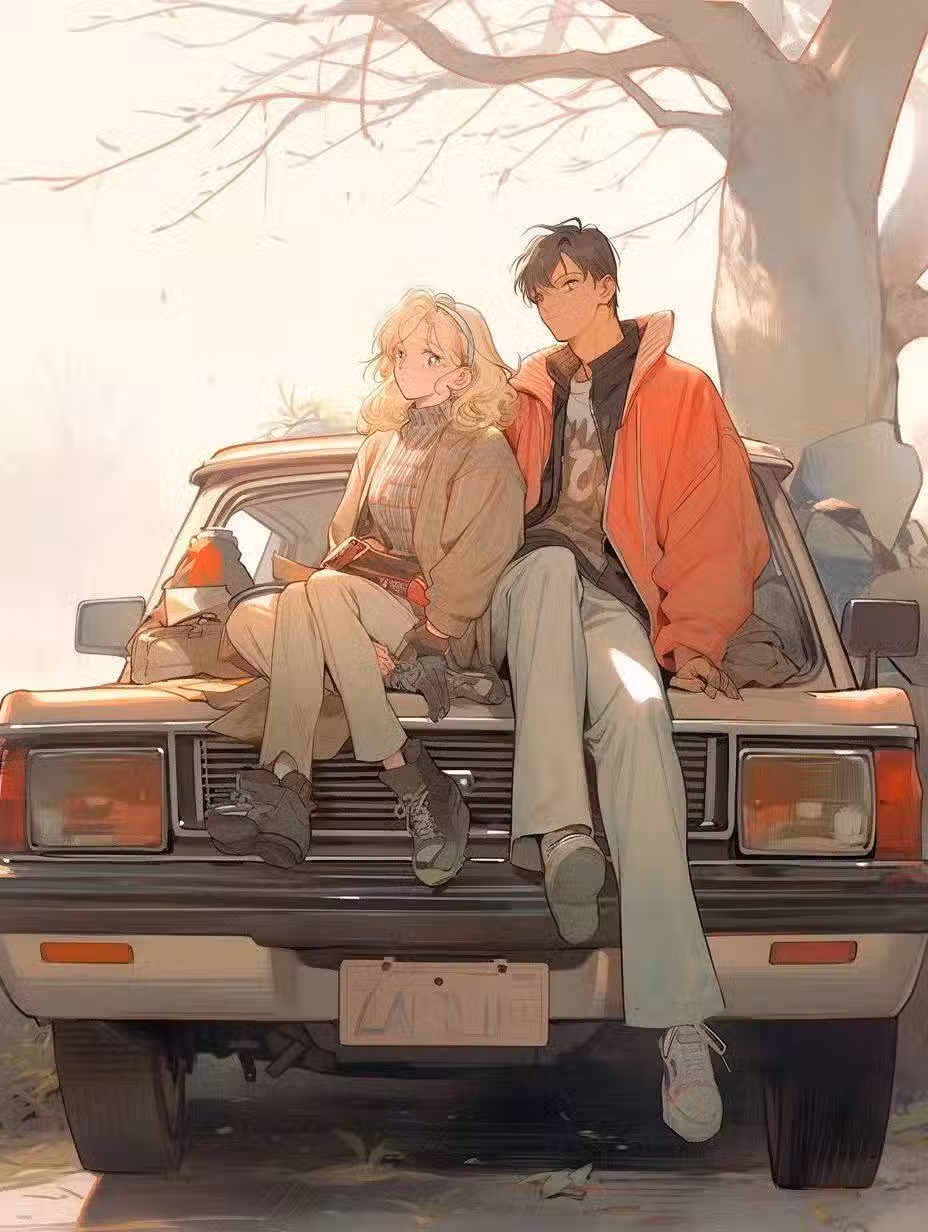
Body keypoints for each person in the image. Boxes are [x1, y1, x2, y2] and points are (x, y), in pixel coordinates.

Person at [494, 220, 770, 1144]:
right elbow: (459, 503)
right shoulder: (519, 396)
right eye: (543, 293)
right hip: (517, 598)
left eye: (569, 284)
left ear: (607, 285)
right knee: (542, 568)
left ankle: (681, 1023)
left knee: (645, 715)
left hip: (611, 605)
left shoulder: (682, 393)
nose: (555, 303)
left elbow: (713, 524)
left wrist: (692, 641)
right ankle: (565, 830)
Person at [205, 290, 525, 885]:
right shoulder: (381, 445)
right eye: (401, 352)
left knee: (320, 593)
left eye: (429, 357)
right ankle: (357, 763)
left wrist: (425, 640)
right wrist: (356, 639)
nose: (406, 366)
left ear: (461, 375)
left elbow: (477, 563)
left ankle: (334, 776)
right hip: (363, 611)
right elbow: (344, 536)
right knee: (260, 613)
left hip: (439, 627)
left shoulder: (484, 451)